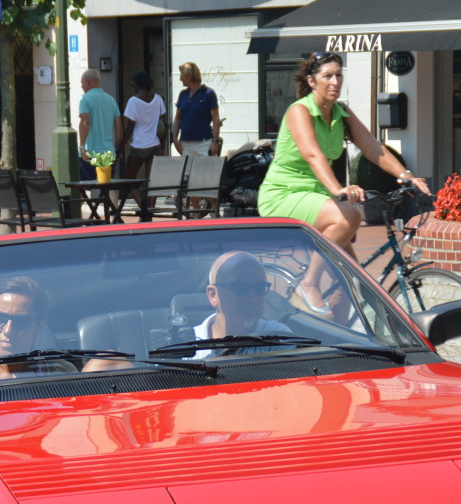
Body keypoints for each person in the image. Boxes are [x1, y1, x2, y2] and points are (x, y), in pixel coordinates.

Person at [257, 51, 430, 314]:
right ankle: (309, 284)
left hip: (317, 196)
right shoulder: (299, 111)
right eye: (327, 76)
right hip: (284, 193)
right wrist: (339, 189)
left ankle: (341, 344)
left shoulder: (340, 112)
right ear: (312, 81)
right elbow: (313, 155)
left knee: (350, 280)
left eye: (339, 75)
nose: (335, 81)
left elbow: (373, 148)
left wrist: (406, 176)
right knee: (349, 216)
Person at [192, 251, 293, 359]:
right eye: (240, 288)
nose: (252, 298)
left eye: (260, 288)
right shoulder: (186, 346)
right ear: (213, 295)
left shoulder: (278, 338)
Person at [120, 69, 166, 183]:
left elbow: (130, 126)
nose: (130, 84)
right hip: (155, 144)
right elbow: (164, 124)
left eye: (132, 81)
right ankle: (148, 201)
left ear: (136, 83)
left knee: (129, 180)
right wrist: (163, 146)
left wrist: (121, 146)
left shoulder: (133, 101)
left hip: (139, 145)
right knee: (151, 180)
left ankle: (141, 201)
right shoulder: (158, 98)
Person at [78, 68, 122, 181]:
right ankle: (111, 200)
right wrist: (115, 148)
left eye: (82, 83)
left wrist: (82, 147)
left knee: (81, 184)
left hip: (90, 152)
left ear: (87, 81)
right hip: (108, 153)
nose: (82, 87)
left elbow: (84, 122)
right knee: (109, 184)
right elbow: (119, 128)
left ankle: (86, 200)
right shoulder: (111, 100)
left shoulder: (85, 99)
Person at [172, 62, 221, 157]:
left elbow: (216, 119)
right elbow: (177, 119)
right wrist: (174, 139)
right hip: (186, 144)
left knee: (206, 171)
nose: (180, 79)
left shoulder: (208, 93)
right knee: (187, 172)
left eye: (181, 76)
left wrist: (215, 141)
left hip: (204, 143)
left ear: (189, 76)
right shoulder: (183, 94)